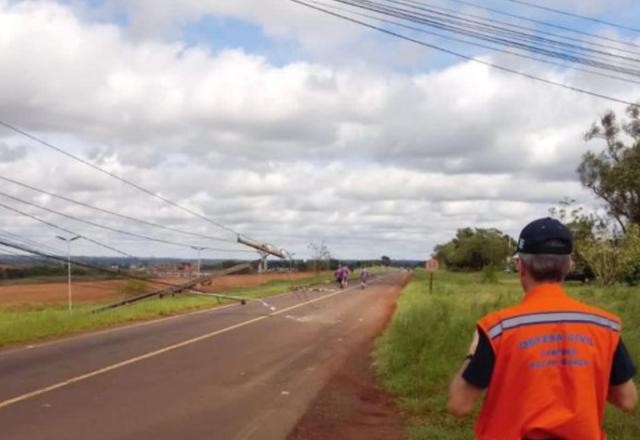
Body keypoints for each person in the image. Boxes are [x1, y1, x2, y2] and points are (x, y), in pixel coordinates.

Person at [448, 217, 637, 440]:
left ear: (521, 266)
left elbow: (459, 405)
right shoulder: (605, 326)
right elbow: (627, 400)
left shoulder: (498, 329)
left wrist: (473, 353)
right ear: (569, 266)